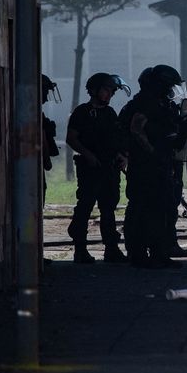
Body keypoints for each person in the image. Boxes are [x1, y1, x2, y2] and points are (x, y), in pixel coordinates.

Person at [120, 65, 187, 269]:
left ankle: (157, 252)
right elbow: (137, 129)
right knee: (144, 209)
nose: (172, 90)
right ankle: (140, 253)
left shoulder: (160, 104)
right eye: (169, 85)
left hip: (158, 164)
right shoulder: (146, 103)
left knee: (160, 208)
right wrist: (152, 152)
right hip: (147, 166)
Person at [65, 73, 130, 263]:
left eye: (111, 91)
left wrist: (121, 155)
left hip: (109, 167)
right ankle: (80, 249)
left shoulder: (109, 113)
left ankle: (111, 248)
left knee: (108, 208)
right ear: (94, 90)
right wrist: (88, 154)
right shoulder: (82, 112)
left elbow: (116, 138)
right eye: (106, 90)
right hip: (90, 167)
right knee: (85, 206)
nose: (109, 94)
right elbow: (72, 138)